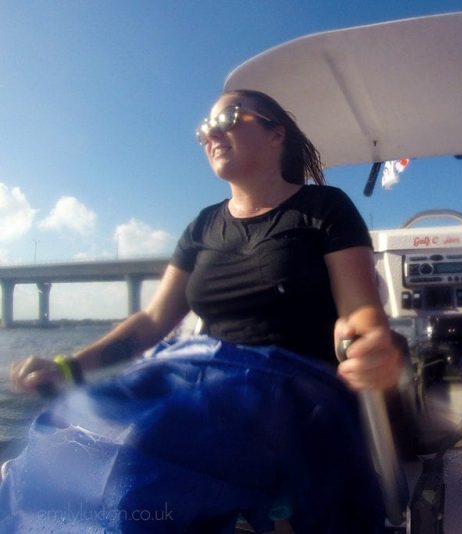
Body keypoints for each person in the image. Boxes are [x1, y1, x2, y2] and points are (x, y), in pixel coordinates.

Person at [4, 89, 403, 533]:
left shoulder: (323, 209)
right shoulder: (202, 225)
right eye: (203, 129)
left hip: (290, 390)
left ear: (276, 134)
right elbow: (154, 321)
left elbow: (357, 310)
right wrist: (68, 367)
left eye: (228, 117)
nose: (210, 133)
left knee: (139, 460)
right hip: (197, 379)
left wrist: (371, 344)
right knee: (63, 437)